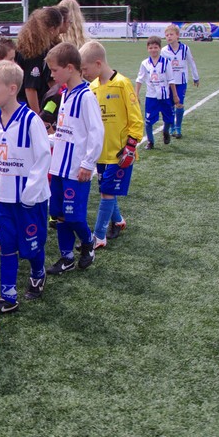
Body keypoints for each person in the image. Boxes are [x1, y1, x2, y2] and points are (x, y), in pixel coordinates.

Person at [0, 60, 51, 313]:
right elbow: (2, 157)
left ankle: (38, 273)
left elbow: (43, 158)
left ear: (12, 88)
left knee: (32, 245)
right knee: (7, 246)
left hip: (30, 200)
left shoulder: (31, 121)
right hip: (4, 198)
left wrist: (30, 194)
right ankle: (8, 296)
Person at [42, 42, 103, 276]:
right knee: (58, 214)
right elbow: (67, 132)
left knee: (74, 216)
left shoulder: (86, 97)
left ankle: (88, 242)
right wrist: (47, 140)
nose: (52, 75)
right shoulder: (65, 94)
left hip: (76, 170)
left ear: (69, 68)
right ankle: (66, 257)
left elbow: (96, 132)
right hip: (58, 167)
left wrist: (88, 163)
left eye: (54, 70)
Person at [80, 41, 144, 249]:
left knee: (107, 192)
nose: (83, 74)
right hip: (100, 151)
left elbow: (136, 118)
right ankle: (118, 220)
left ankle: (99, 236)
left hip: (119, 153)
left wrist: (131, 145)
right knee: (105, 189)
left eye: (85, 69)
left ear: (98, 63)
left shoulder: (122, 84)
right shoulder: (92, 87)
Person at [15, 6, 64, 115]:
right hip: (28, 108)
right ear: (52, 29)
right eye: (58, 30)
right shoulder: (34, 51)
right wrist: (38, 118)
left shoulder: (33, 45)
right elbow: (30, 88)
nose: (58, 33)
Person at [135, 36, 179, 149]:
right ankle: (150, 142)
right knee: (148, 122)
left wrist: (175, 95)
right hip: (151, 97)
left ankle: (166, 131)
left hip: (164, 96)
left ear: (159, 48)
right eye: (151, 48)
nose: (153, 50)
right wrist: (136, 94)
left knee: (169, 118)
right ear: (147, 49)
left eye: (155, 47)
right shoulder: (145, 63)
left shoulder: (166, 62)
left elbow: (171, 80)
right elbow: (139, 79)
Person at [160, 24, 200, 138]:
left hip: (181, 82)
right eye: (167, 35)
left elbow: (191, 63)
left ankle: (178, 128)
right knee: (170, 105)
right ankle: (172, 126)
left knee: (179, 104)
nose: (169, 37)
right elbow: (161, 67)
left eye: (171, 34)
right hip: (169, 83)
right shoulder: (164, 51)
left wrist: (196, 77)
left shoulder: (185, 49)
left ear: (177, 35)